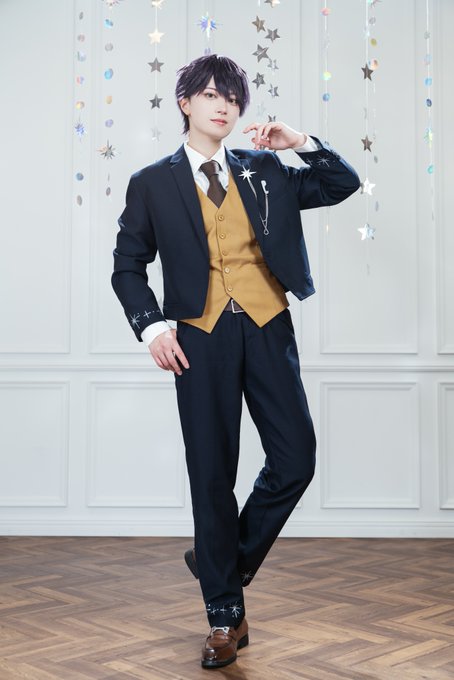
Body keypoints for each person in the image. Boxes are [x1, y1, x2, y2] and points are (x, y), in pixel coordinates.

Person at [111, 53, 360, 669]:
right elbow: (127, 266)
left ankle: (222, 559)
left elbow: (342, 184)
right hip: (198, 339)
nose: (223, 105)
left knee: (295, 458)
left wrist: (299, 142)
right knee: (211, 473)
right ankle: (224, 616)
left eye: (232, 97)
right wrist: (152, 328)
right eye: (210, 95)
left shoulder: (265, 168)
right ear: (186, 103)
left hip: (268, 325)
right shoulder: (152, 182)